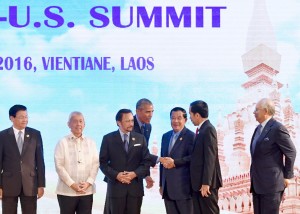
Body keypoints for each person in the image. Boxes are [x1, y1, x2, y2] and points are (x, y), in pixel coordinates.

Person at [100, 109, 151, 214]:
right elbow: (103, 163)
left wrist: (134, 174)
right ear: (118, 122)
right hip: (116, 189)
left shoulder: (140, 138)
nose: (131, 123)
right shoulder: (108, 139)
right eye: (127, 121)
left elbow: (146, 162)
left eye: (132, 120)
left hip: (135, 189)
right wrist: (117, 175)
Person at [250, 98, 296, 214]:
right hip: (257, 185)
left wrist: (287, 176)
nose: (254, 112)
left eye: (256, 110)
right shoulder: (257, 129)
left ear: (265, 111)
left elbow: (291, 152)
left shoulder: (277, 128)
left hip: (272, 185)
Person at [0, 104, 45, 214]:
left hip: (30, 184)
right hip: (8, 185)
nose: (25, 119)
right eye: (21, 117)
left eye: (26, 116)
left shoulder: (35, 134)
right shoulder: (2, 136)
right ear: (12, 118)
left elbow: (40, 161)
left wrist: (41, 185)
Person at [54, 111, 99, 214]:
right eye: (75, 121)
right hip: (66, 192)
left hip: (87, 191)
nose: (78, 124)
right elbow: (59, 166)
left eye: (80, 121)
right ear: (68, 124)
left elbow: (95, 164)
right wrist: (72, 184)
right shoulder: (62, 142)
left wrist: (89, 182)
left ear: (84, 124)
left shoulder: (91, 142)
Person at [189, 100, 222, 214]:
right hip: (198, 184)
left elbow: (210, 157)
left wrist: (206, 183)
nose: (190, 118)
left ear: (197, 115)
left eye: (190, 115)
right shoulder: (201, 130)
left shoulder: (208, 129)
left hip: (206, 185)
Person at [159, 107, 195, 214]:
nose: (175, 121)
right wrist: (161, 184)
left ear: (185, 120)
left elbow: (193, 158)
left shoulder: (191, 136)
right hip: (167, 189)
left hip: (184, 189)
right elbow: (162, 161)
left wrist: (174, 162)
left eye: (179, 118)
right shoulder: (165, 136)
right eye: (173, 118)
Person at [133, 98, 157, 188]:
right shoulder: (129, 124)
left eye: (152, 112)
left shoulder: (148, 126)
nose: (151, 115)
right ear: (138, 111)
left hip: (137, 174)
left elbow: (144, 151)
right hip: (122, 174)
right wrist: (159, 159)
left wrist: (146, 175)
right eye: (147, 112)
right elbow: (136, 152)